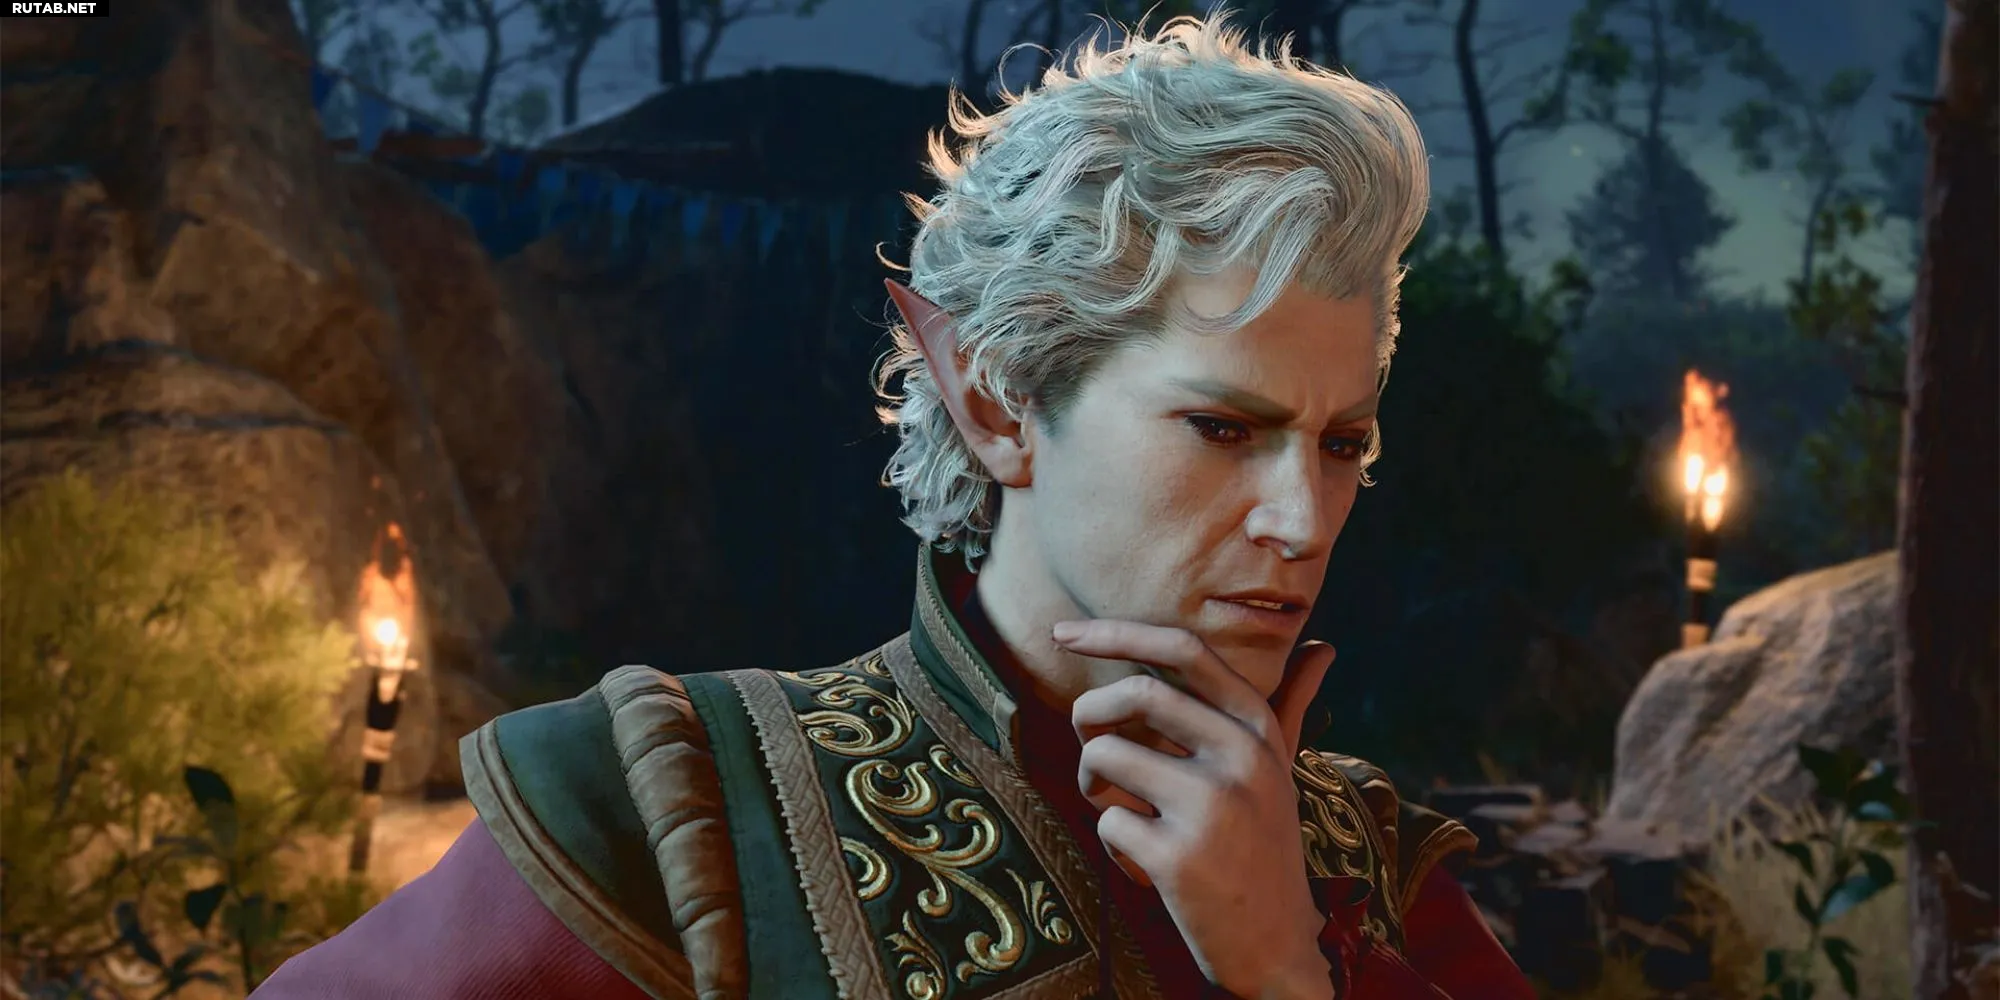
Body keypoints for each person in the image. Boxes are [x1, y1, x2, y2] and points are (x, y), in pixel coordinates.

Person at [257, 13, 1535, 1000]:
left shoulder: (1367, 868)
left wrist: (1288, 971)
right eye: (1223, 428)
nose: (1301, 522)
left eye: (1341, 443)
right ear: (994, 399)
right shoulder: (674, 813)